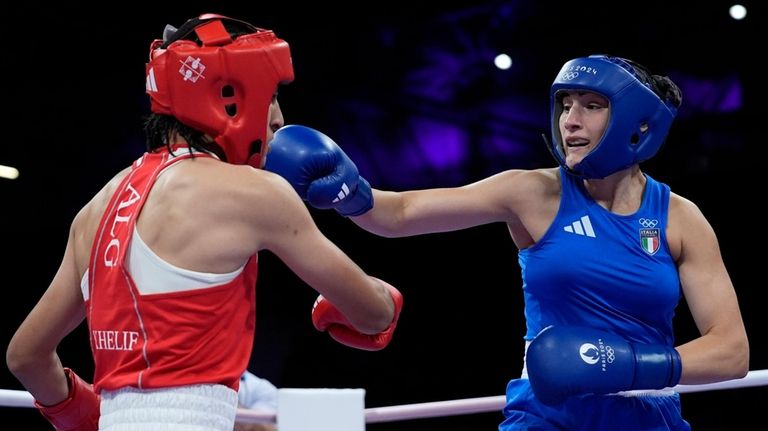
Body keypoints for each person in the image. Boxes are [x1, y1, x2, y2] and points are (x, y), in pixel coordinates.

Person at [263, 54, 749, 430]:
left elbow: (731, 352)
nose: (570, 120)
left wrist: (625, 367)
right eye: (565, 103)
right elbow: (401, 213)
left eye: (592, 105)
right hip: (545, 416)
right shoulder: (533, 193)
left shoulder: (680, 219)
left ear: (637, 125)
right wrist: (352, 193)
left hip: (650, 416)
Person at [5, 13, 403, 431]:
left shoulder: (93, 211)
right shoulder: (255, 192)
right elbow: (373, 315)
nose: (278, 119)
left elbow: (25, 357)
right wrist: (380, 294)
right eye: (269, 97)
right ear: (227, 96)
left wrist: (83, 415)